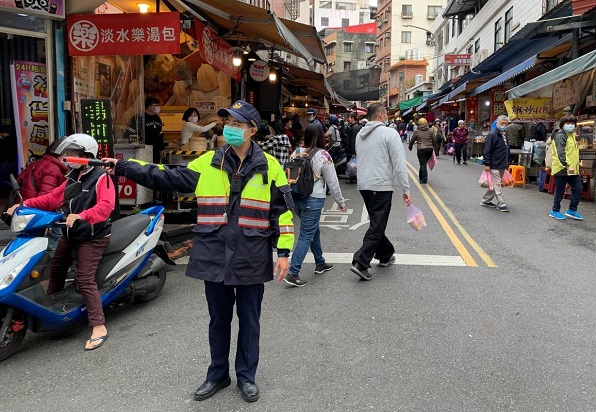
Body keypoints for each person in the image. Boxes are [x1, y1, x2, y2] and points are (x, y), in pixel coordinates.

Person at [103, 100, 294, 403]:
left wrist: (284, 251)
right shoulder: (208, 162)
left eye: (237, 124)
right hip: (214, 252)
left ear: (252, 130)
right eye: (227, 122)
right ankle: (217, 374)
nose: (229, 128)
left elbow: (282, 213)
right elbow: (166, 176)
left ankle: (246, 377)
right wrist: (125, 167)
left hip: (251, 254)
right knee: (218, 320)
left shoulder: (270, 167)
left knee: (250, 319)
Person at [7, 134, 116, 350]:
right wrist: (23, 205)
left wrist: (83, 215)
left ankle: (98, 325)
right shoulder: (72, 177)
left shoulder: (101, 177)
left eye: (71, 154)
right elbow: (51, 198)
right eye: (66, 154)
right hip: (71, 231)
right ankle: (52, 309)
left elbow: (106, 206)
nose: (66, 158)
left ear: (86, 155)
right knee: (56, 269)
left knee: (84, 279)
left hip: (93, 236)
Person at [351, 103, 411, 280]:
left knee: (377, 223)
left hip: (364, 185)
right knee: (377, 225)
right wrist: (406, 188)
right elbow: (400, 164)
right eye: (386, 114)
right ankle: (361, 262)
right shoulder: (389, 133)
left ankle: (385, 254)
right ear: (381, 115)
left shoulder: (360, 135)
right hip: (381, 185)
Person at [284, 124, 345, 287]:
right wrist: (340, 202)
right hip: (314, 199)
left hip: (297, 198)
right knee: (306, 234)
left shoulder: (296, 152)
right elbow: (333, 182)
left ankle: (320, 262)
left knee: (312, 230)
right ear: (320, 136)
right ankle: (293, 272)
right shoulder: (324, 155)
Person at [15, 139, 68, 250]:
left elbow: (20, 180)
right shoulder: (53, 169)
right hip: (39, 214)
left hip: (28, 211)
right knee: (55, 245)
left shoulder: (37, 163)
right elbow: (46, 197)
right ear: (61, 154)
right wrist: (45, 222)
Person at [549, 114, 583, 221]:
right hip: (562, 168)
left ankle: (572, 210)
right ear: (563, 125)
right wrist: (568, 165)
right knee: (560, 190)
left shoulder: (572, 136)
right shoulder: (560, 136)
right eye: (568, 123)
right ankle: (555, 211)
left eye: (572, 124)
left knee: (578, 188)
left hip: (573, 168)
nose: (570, 126)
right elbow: (561, 153)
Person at [480, 115, 510, 212]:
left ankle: (485, 200)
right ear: (497, 123)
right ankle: (501, 203)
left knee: (494, 184)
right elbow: (487, 150)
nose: (504, 125)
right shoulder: (492, 134)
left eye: (506, 123)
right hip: (494, 164)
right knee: (497, 184)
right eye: (502, 123)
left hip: (501, 164)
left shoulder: (504, 135)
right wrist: (487, 164)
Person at [408, 118, 435, 184]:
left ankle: (424, 179)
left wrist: (410, 147)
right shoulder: (430, 131)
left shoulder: (417, 131)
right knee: (423, 163)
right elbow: (435, 139)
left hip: (421, 149)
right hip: (429, 149)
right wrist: (434, 148)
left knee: (423, 164)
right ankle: (421, 177)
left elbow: (412, 140)